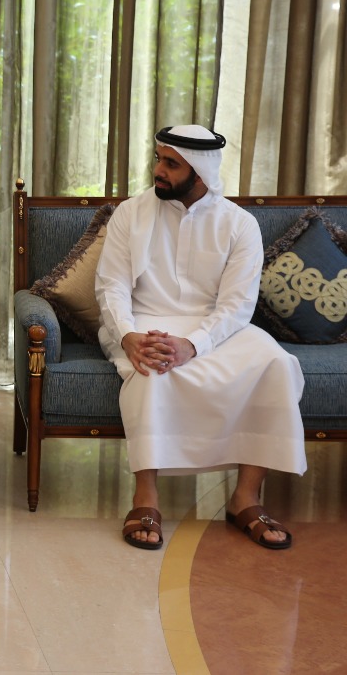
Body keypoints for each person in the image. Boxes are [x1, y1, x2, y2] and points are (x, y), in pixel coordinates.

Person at [95, 125, 307, 551]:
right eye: (158, 159)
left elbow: (237, 305)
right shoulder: (130, 214)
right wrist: (128, 336)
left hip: (215, 328)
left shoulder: (239, 224)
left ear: (201, 171)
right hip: (141, 322)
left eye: (171, 164)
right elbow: (111, 286)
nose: (159, 170)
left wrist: (193, 344)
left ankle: (246, 498)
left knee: (277, 364)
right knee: (152, 367)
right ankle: (146, 498)